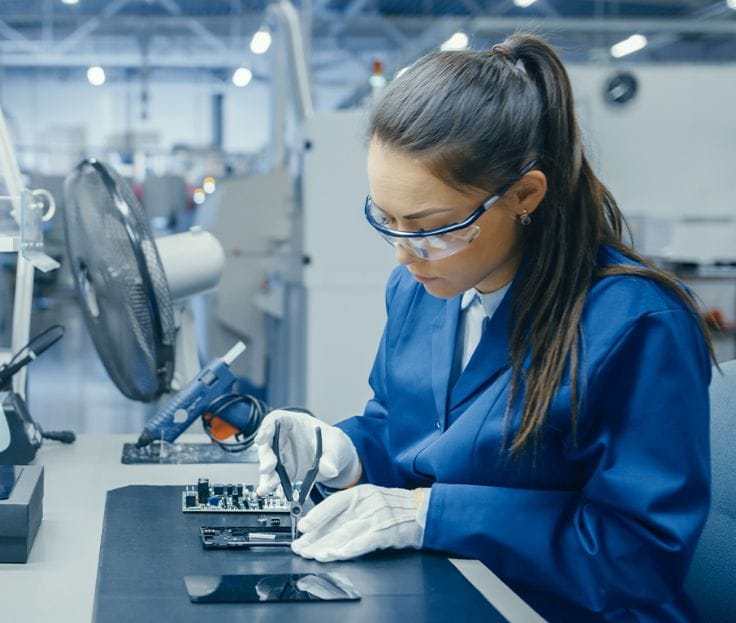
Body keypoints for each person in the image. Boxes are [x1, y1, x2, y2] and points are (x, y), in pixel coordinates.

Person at [255, 34, 714, 621]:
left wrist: (431, 516)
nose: (405, 253)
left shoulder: (635, 325)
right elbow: (403, 434)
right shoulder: (421, 290)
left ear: (524, 195)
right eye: (387, 219)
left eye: (433, 226)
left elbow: (636, 559)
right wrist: (343, 452)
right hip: (454, 594)